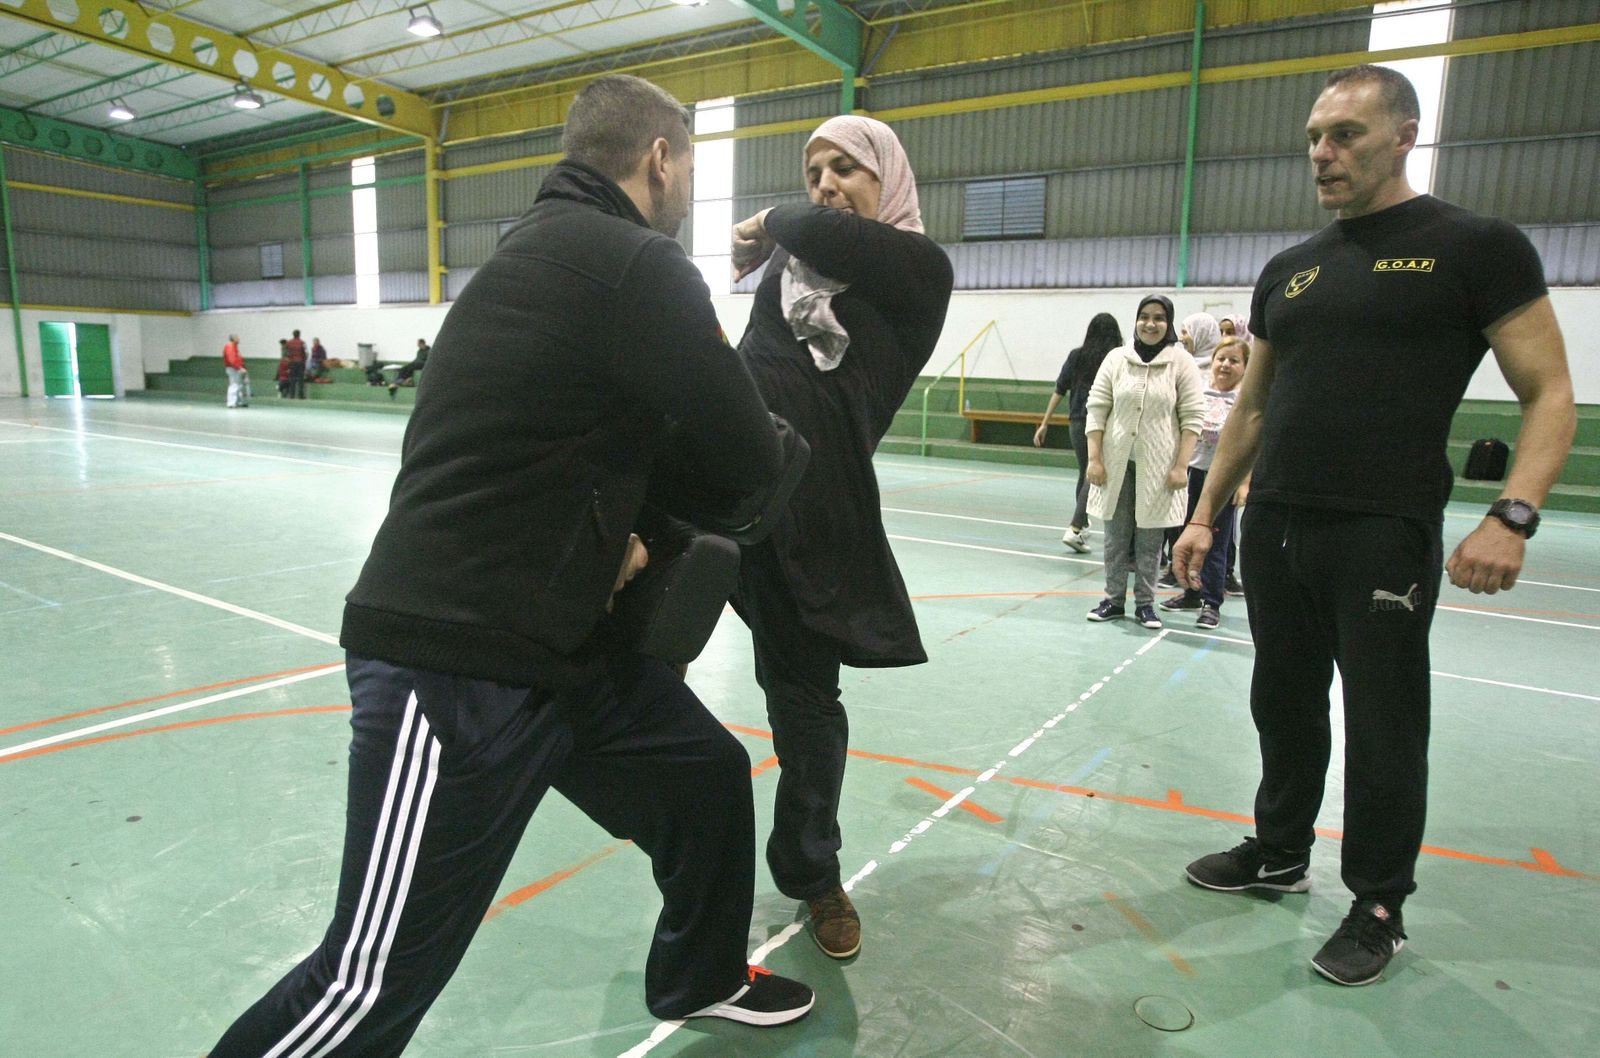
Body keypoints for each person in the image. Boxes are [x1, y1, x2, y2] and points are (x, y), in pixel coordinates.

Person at [206, 74, 816, 1058]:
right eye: (690, 165)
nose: (691, 186)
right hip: (459, 662)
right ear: (659, 159)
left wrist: (631, 524)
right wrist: (668, 522)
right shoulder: (635, 265)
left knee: (702, 776)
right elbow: (747, 455)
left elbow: (544, 437)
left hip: (559, 645)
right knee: (368, 980)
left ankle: (698, 974)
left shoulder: (528, 255)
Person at [1174, 65, 1576, 987]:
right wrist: (1204, 516)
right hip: (1275, 523)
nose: (1324, 152)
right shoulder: (1291, 268)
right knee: (1281, 698)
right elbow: (1252, 410)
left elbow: (1549, 391)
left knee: (1386, 723)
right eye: (1316, 136)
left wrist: (1512, 516)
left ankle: (1379, 903)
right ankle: (1278, 850)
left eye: (1347, 133)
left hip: (1382, 529)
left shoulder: (1476, 246)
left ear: (1404, 134)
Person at [727, 115, 954, 960]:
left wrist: (766, 220)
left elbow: (814, 226)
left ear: (888, 179)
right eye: (813, 167)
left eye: (846, 167)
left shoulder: (918, 272)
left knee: (807, 711)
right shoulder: (788, 276)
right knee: (633, 644)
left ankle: (813, 873)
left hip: (812, 518)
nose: (825, 182)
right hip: (721, 489)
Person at [1082, 294, 1204, 630]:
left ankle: (1147, 605)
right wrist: (1095, 458)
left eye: (1159, 318)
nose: (1151, 324)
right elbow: (1097, 407)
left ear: (1168, 324)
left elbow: (1193, 417)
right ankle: (1113, 600)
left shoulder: (1181, 362)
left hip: (1160, 470)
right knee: (1115, 538)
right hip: (1116, 464)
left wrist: (1181, 465)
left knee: (1151, 542)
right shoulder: (1116, 358)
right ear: (1136, 320)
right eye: (1144, 317)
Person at [1159, 336, 1249, 627]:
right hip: (1191, 475)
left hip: (1222, 480)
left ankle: (1212, 601)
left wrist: (1242, 482)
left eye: (1234, 361)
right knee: (1184, 534)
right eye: (1221, 359)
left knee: (1216, 541)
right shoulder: (1199, 393)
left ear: (1245, 368)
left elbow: (1250, 446)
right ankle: (1190, 592)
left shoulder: (1244, 402)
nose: (1225, 365)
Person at [1033, 312, 1123, 553]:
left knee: (1085, 470)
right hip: (1101, 423)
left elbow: (1059, 389)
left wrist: (1045, 422)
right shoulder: (1115, 358)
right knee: (1092, 474)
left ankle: (1081, 523)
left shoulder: (1077, 356)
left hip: (1076, 422)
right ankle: (1074, 528)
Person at [222, 333, 249, 408]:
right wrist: (239, 368)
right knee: (234, 385)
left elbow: (239, 359)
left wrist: (243, 368)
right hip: (233, 368)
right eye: (237, 337)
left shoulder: (234, 347)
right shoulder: (230, 346)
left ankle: (238, 401)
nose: (239, 339)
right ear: (233, 338)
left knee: (239, 385)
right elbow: (232, 359)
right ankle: (231, 403)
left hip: (237, 368)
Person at [284, 329, 308, 399]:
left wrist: (289, 360)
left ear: (293, 334)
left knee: (292, 379)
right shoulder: (302, 342)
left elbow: (285, 353)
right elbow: (306, 353)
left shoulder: (288, 343)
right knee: (300, 379)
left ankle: (292, 395)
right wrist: (304, 361)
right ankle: (300, 395)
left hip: (292, 363)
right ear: (299, 334)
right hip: (300, 362)